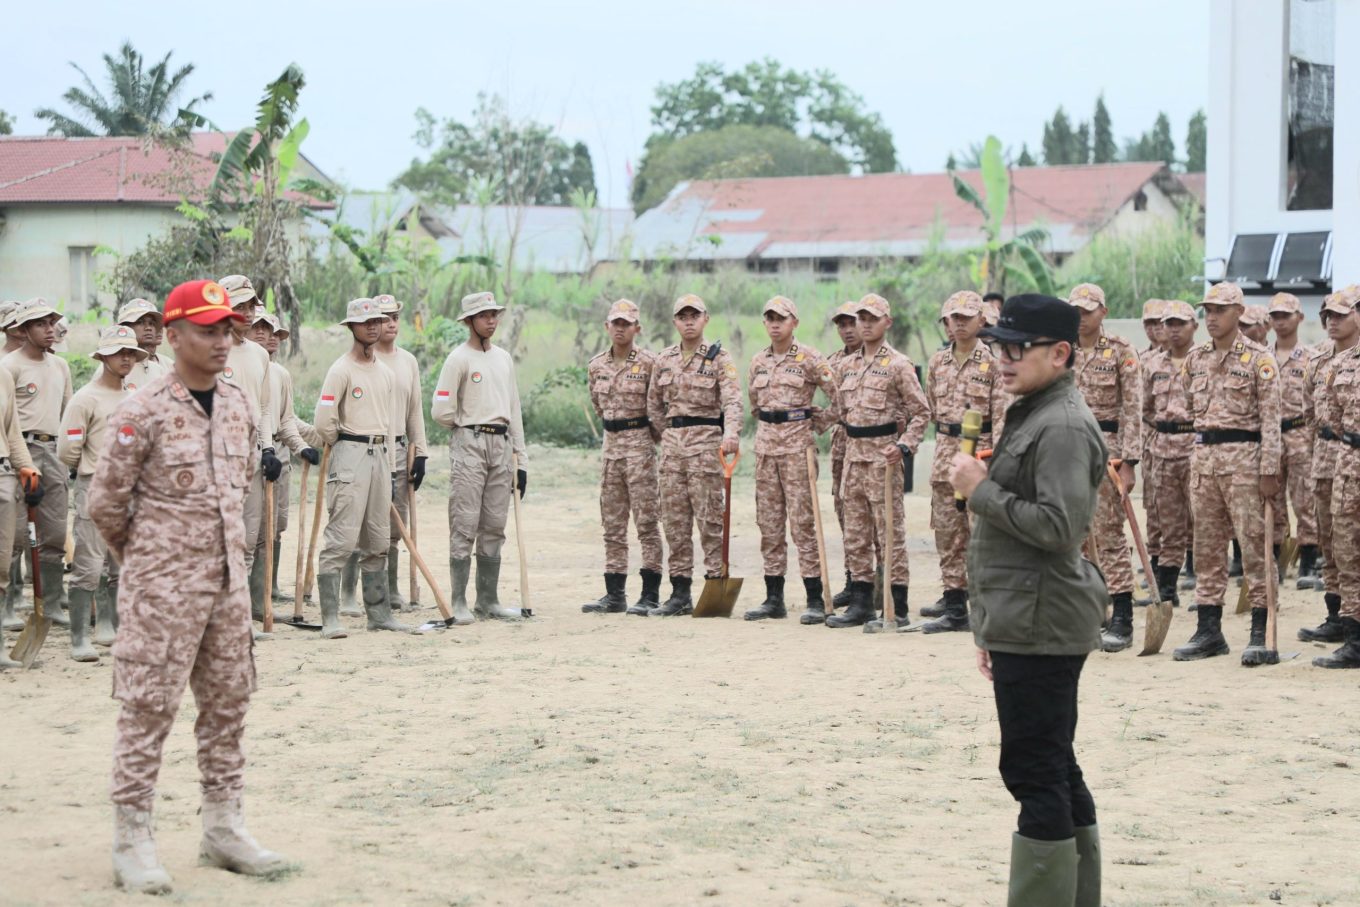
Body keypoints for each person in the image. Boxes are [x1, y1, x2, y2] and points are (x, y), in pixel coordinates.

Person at [89, 279, 290, 894]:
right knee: (147, 711)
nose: (222, 340)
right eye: (206, 329)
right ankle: (132, 840)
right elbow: (105, 505)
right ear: (173, 336)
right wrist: (150, 565)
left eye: (226, 328)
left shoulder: (237, 405)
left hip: (228, 591)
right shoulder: (141, 411)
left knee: (228, 708)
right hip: (160, 595)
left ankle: (223, 828)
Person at [950, 293, 1106, 907]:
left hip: (1043, 621)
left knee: (1035, 772)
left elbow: (1060, 528)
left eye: (1018, 348)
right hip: (1026, 618)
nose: (1003, 359)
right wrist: (992, 626)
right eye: (998, 347)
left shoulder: (1061, 423)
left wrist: (982, 490)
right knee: (1055, 765)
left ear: (1060, 353)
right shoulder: (1035, 410)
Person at [1174, 282, 1282, 665]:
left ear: (1239, 312)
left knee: (1254, 547)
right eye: (1208, 310)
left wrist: (1270, 469)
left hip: (1246, 463)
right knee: (1206, 548)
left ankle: (1260, 629)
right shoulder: (1196, 359)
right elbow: (1190, 405)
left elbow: (1272, 420)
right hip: (1205, 462)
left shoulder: (1258, 360)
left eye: (1220, 310)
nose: (1212, 318)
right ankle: (1209, 630)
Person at [826, 293, 929, 630]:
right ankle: (860, 603)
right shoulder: (846, 366)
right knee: (855, 534)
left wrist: (903, 446)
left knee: (889, 534)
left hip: (884, 459)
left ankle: (896, 607)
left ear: (888, 322)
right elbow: (840, 411)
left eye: (873, 318)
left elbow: (921, 412)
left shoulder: (898, 364)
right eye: (861, 319)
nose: (865, 324)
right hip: (853, 458)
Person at [312, 298, 413, 637]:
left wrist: (390, 464)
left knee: (378, 537)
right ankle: (331, 617)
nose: (373, 326)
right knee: (341, 537)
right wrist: (340, 443)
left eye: (377, 320)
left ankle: (379, 613)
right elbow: (324, 420)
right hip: (350, 452)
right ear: (352, 327)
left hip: (381, 455)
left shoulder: (384, 373)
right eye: (365, 321)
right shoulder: (341, 370)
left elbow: (389, 423)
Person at [431, 292, 529, 622]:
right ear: (470, 321)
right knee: (465, 519)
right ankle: (459, 601)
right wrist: (465, 423)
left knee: (494, 523)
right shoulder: (458, 359)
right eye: (484, 315)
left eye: (494, 314)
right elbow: (440, 409)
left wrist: (521, 457)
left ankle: (488, 599)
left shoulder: (503, 358)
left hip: (502, 444)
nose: (491, 320)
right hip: (470, 442)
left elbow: (514, 409)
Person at [645, 294, 743, 616]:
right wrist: (670, 434)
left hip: (705, 447)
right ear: (674, 321)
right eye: (682, 316)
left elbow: (732, 401)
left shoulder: (719, 358)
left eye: (694, 315)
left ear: (706, 319)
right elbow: (653, 405)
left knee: (710, 520)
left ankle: (715, 584)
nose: (688, 321)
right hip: (672, 452)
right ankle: (679, 593)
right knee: (675, 523)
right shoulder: (664, 359)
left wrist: (730, 434)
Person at [744, 296, 838, 621]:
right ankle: (774, 598)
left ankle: (814, 598)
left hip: (798, 449)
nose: (774, 323)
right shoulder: (757, 361)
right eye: (769, 318)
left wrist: (818, 423)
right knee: (769, 524)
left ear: (794, 322)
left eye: (781, 318)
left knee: (802, 525)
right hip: (766, 449)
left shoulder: (810, 358)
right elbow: (755, 405)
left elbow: (839, 396)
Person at [58, 325, 146, 662]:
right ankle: (79, 637)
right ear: (103, 357)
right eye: (118, 352)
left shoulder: (135, 397)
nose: (126, 358)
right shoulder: (85, 399)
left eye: (131, 353)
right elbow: (67, 451)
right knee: (88, 565)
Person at [920, 290, 1006, 633]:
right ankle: (954, 608)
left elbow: (1001, 418)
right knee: (947, 533)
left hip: (980, 455)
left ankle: (986, 608)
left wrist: (995, 462)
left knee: (981, 534)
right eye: (952, 318)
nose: (958, 324)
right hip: (945, 455)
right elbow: (932, 409)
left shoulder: (994, 364)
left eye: (965, 318)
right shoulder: (937, 362)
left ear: (981, 320)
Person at [1066, 283, 1142, 653]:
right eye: (1076, 310)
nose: (1081, 317)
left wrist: (1129, 462)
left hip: (1106, 450)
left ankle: (1123, 617)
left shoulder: (1121, 352)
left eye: (1087, 310)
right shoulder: (1059, 351)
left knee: (1108, 533)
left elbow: (1132, 409)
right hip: (1066, 451)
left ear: (1103, 312)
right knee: (1074, 537)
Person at [581, 299, 664, 616]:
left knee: (647, 522)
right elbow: (598, 406)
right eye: (615, 322)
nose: (620, 328)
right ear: (607, 326)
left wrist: (644, 439)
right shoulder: (596, 366)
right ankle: (614, 594)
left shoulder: (650, 363)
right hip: (611, 447)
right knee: (612, 524)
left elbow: (657, 409)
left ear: (637, 328)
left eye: (626, 323)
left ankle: (650, 594)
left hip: (639, 445)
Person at [1, 297, 73, 626]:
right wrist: (19, 462)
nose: (49, 330)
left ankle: (52, 602)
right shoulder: (9, 366)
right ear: (24, 329)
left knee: (55, 532)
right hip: (21, 451)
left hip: (54, 450)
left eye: (51, 323)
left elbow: (68, 414)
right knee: (14, 534)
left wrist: (70, 455)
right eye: (41, 324)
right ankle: (9, 603)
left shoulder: (60, 366)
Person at [245, 312, 321, 604]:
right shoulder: (240, 364)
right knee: (253, 529)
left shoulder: (281, 375)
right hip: (251, 450)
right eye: (262, 329)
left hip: (278, 452)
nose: (270, 337)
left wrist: (303, 447)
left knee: (276, 524)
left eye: (275, 332)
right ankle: (252, 598)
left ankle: (268, 589)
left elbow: (286, 420)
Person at [216, 276, 279, 623]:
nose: (248, 313)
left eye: (251, 305)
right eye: (239, 306)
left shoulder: (258, 354)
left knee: (249, 539)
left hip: (253, 455)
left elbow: (265, 407)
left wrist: (268, 448)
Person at [1299, 287, 1360, 641]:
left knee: (1350, 541)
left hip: (1349, 454)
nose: (1331, 322)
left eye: (1340, 314)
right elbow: (1310, 412)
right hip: (1326, 457)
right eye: (1328, 316)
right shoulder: (1320, 360)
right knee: (1331, 541)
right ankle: (1337, 614)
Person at [373, 294, 429, 612]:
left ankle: (392, 590)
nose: (391, 323)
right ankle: (365, 591)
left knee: (396, 526)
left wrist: (419, 452)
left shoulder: (408, 361)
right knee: (370, 524)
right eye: (383, 318)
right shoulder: (365, 360)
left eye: (394, 316)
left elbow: (415, 411)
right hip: (368, 449)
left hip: (398, 450)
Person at [1141, 301, 1199, 606]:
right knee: (1170, 523)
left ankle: (1205, 588)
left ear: (1194, 327)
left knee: (1204, 521)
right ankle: (1167, 590)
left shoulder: (1206, 361)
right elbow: (1146, 410)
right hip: (1163, 451)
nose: (1174, 330)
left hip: (1196, 449)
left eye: (1180, 324)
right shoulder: (1152, 366)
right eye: (1169, 324)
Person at [1267, 292, 1319, 585]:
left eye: (1286, 315)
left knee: (1305, 499)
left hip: (1300, 433)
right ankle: (1275, 563)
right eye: (1275, 316)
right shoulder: (1261, 356)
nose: (1280, 321)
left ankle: (1308, 565)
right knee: (1271, 499)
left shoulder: (1312, 358)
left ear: (1299, 317)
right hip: (1271, 436)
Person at [824, 300, 866, 620]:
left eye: (851, 323)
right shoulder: (832, 362)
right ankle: (853, 579)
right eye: (841, 325)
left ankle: (874, 581)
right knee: (844, 511)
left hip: (870, 445)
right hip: (841, 445)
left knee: (870, 514)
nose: (847, 330)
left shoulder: (880, 359)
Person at [0, 358, 41, 657]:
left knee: (1, 564)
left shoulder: (2, 375)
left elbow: (12, 430)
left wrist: (25, 466)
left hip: (2, 475)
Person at [1137, 299, 1167, 600]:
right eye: (1149, 323)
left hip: (1182, 443)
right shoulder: (1143, 360)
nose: (1155, 328)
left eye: (1160, 322)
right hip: (1149, 441)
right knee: (1153, 505)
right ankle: (1155, 563)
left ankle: (1186, 564)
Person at [116, 298, 173, 392]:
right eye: (140, 322)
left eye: (151, 323)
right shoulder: (114, 366)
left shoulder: (167, 365)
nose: (148, 328)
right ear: (126, 327)